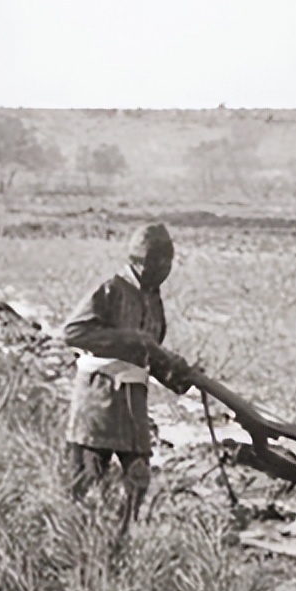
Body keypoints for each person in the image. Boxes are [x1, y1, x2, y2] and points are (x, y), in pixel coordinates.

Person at [62, 222, 199, 534]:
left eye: (169, 262)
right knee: (84, 484)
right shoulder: (111, 289)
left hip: (133, 406)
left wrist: (181, 376)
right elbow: (73, 332)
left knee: (137, 481)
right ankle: (77, 547)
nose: (165, 268)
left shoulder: (153, 301)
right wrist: (129, 338)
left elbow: (149, 353)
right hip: (98, 403)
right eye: (159, 262)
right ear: (142, 261)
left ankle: (122, 540)